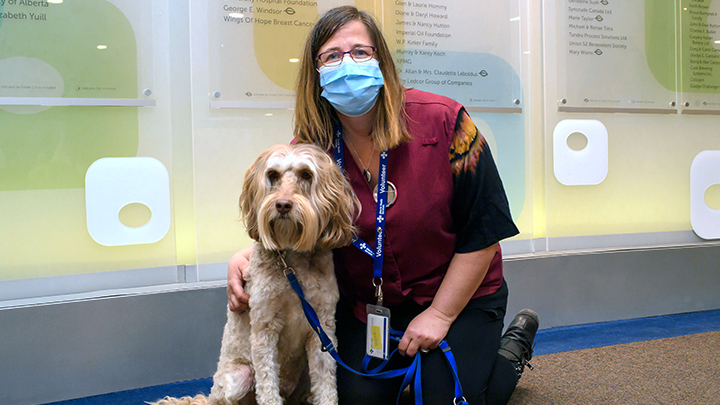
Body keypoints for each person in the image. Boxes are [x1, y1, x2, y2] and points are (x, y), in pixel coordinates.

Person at [227, 6, 539, 405]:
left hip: (459, 298)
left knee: (444, 399)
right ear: (316, 71)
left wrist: (440, 315)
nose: (347, 64)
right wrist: (248, 254)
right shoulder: (310, 150)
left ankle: (509, 352)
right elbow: (288, 213)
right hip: (370, 308)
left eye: (361, 51)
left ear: (382, 61)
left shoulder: (447, 122)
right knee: (355, 401)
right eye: (332, 56)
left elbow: (484, 231)